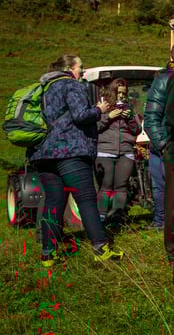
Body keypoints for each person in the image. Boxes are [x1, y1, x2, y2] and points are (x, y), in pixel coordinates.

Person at [28, 54, 124, 267]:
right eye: (81, 67)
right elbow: (80, 115)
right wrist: (99, 110)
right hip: (69, 151)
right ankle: (101, 248)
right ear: (70, 68)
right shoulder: (71, 85)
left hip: (44, 154)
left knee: (53, 202)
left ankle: (48, 254)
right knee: (86, 199)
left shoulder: (43, 88)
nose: (83, 70)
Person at [144, 40, 174, 230]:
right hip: (168, 145)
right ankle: (161, 223)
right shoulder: (164, 80)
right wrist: (164, 145)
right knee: (163, 187)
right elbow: (151, 117)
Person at [95, 78, 142, 226]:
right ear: (112, 92)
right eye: (118, 92)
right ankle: (101, 217)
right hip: (105, 151)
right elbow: (94, 127)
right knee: (106, 186)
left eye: (124, 93)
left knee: (121, 187)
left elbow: (137, 130)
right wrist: (108, 117)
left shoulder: (129, 108)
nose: (121, 96)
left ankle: (116, 217)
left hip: (126, 152)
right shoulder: (102, 106)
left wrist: (130, 119)